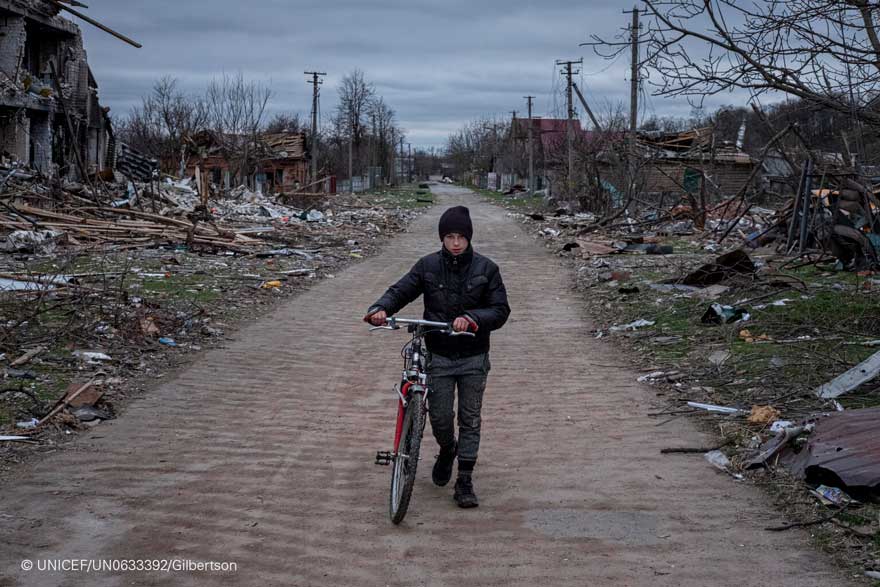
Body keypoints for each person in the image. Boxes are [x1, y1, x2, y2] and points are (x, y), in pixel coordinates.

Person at [364, 206, 510, 508]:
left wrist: (472, 318)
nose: (455, 243)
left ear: (469, 238)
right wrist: (380, 309)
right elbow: (401, 290)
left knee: (469, 419)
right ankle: (447, 450)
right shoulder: (428, 266)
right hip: (439, 355)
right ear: (442, 238)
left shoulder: (487, 269)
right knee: (440, 418)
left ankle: (465, 480)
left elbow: (500, 310)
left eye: (460, 237)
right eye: (449, 236)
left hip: (473, 356)